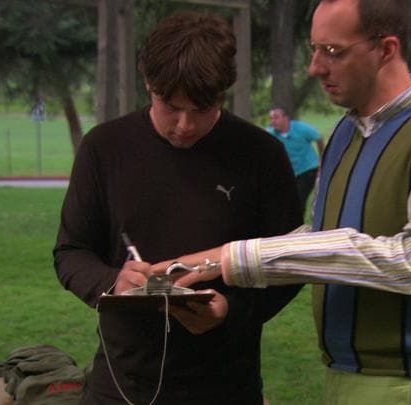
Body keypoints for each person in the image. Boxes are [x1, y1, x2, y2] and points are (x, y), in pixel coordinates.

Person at [155, 0, 411, 403]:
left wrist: (235, 257)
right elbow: (325, 235)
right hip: (344, 377)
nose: (316, 67)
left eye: (333, 52)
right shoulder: (346, 133)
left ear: (386, 49)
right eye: (313, 49)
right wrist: (208, 269)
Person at [53, 12, 302, 404]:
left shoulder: (261, 155)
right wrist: (112, 282)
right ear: (148, 83)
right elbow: (71, 251)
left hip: (225, 383)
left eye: (201, 109)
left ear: (223, 93)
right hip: (121, 384)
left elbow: (289, 264)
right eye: (170, 106)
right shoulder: (104, 148)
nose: (185, 125)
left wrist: (230, 310)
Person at [267, 107, 324, 214]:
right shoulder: (271, 134)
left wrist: (322, 159)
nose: (273, 121)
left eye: (276, 118)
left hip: (308, 169)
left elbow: (318, 137)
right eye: (271, 119)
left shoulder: (300, 128)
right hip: (291, 171)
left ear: (286, 118)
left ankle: (297, 224)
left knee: (298, 200)